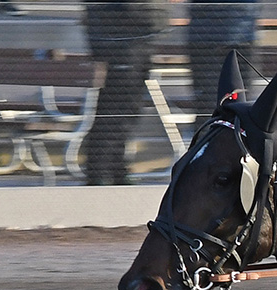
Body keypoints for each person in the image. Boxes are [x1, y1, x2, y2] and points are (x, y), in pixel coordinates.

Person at [83, 0, 171, 185]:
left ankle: (113, 166)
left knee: (127, 109)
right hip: (121, 38)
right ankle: (101, 170)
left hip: (131, 37)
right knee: (117, 109)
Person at [187, 0, 259, 111]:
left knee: (210, 99)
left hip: (210, 31)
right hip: (238, 29)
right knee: (238, 98)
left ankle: (213, 124)